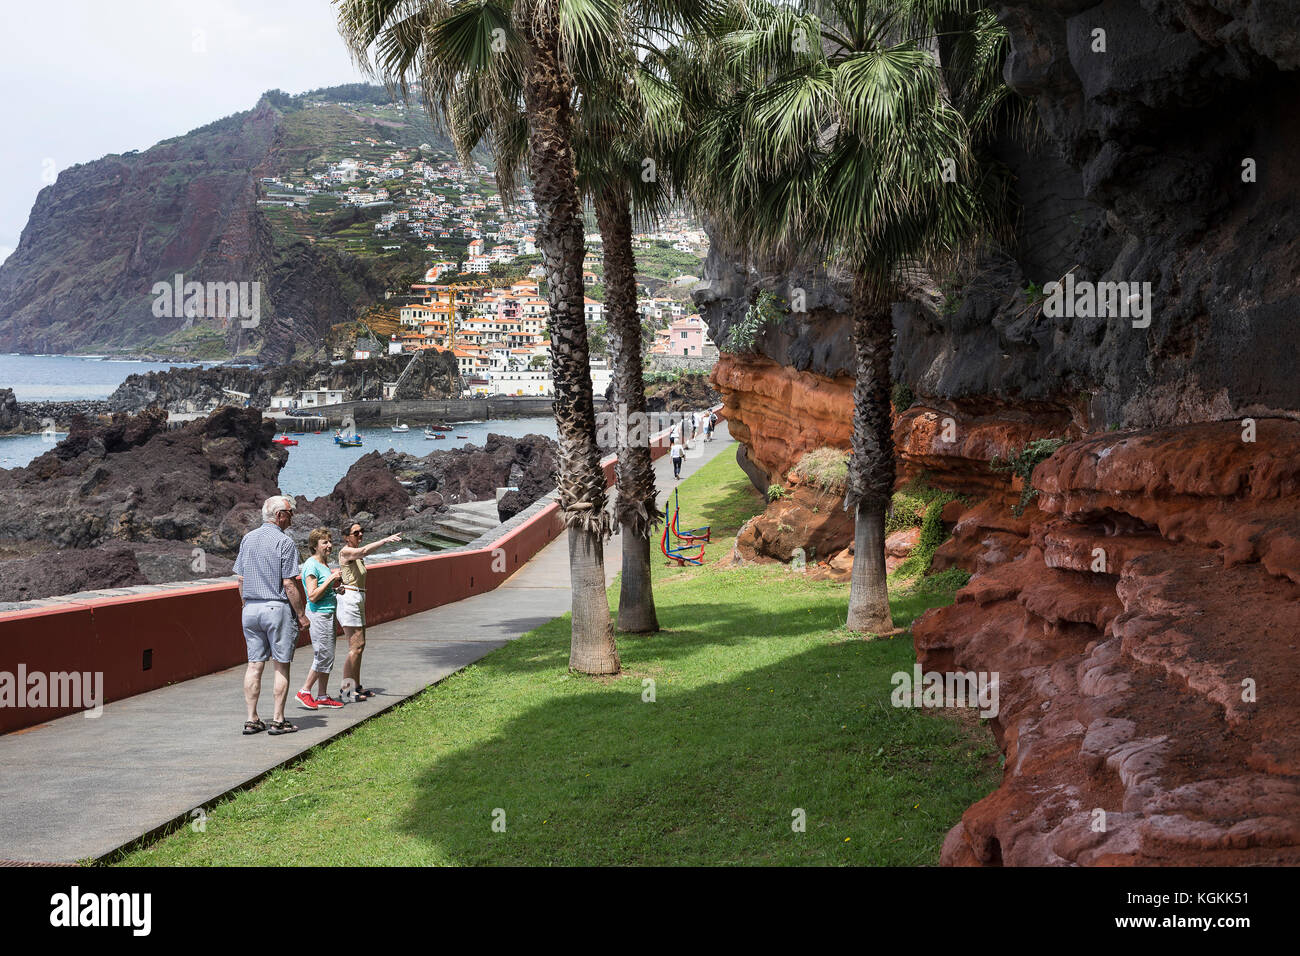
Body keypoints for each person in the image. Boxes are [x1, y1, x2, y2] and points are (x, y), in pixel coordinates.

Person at [233, 495, 309, 736]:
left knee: (254, 665)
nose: (292, 517)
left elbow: (241, 579)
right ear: (279, 515)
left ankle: (251, 718)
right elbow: (289, 584)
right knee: (281, 666)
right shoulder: (284, 542)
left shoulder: (248, 539)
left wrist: (246, 604)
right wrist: (301, 614)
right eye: (290, 512)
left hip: (251, 608)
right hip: (275, 607)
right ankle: (278, 719)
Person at [335, 520, 402, 701]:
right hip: (350, 599)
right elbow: (363, 551)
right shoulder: (346, 551)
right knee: (354, 647)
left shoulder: (356, 556)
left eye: (361, 531)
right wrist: (385, 540)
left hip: (358, 597)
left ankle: (356, 685)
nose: (360, 535)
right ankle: (347, 689)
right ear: (346, 537)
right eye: (355, 533)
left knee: (360, 646)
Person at [296, 528, 345, 711]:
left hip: (329, 612)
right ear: (315, 546)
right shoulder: (311, 565)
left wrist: (335, 590)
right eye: (325, 542)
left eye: (330, 541)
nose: (329, 545)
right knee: (323, 656)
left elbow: (322, 592)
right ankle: (304, 691)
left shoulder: (323, 564)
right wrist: (332, 578)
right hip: (319, 615)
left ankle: (322, 695)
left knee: (328, 656)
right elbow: (313, 595)